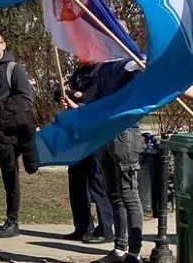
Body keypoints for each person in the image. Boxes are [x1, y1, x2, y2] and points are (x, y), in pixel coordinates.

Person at [63, 59, 144, 263]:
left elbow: (144, 69)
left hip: (124, 133)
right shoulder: (103, 69)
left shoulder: (130, 62)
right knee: (114, 194)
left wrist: (140, 62)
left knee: (129, 194)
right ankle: (119, 248)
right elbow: (98, 103)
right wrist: (76, 106)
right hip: (105, 134)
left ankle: (134, 253)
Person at [0, 28, 36, 238]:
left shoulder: (13, 69)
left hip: (7, 135)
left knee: (10, 179)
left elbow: (26, 100)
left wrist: (0, 113)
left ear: (4, 45)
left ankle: (12, 221)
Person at [59, 63, 114, 243]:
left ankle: (106, 229)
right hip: (76, 135)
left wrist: (75, 95)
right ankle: (82, 227)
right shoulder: (79, 73)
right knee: (76, 181)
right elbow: (59, 91)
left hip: (94, 135)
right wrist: (71, 95)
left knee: (97, 183)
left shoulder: (101, 73)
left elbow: (92, 99)